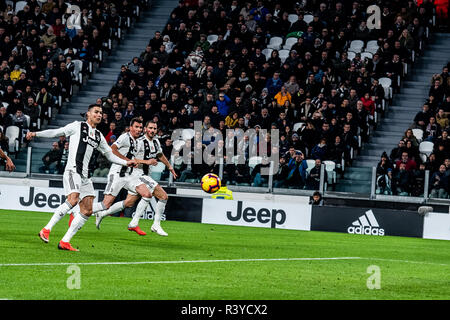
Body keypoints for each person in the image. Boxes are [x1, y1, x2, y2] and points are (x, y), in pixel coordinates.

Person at [26, 104, 137, 251]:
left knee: (87, 210)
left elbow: (109, 155)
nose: (99, 115)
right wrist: (36, 134)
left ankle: (65, 241)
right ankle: (46, 229)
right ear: (88, 114)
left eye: (101, 113)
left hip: (85, 176)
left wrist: (126, 162)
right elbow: (56, 132)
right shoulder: (77, 126)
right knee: (72, 199)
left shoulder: (98, 136)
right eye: (96, 112)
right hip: (73, 171)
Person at [95, 120, 177, 236]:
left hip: (141, 175)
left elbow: (160, 155)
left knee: (128, 203)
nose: (152, 131)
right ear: (145, 129)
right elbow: (131, 158)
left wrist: (169, 167)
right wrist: (146, 162)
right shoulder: (138, 141)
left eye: (154, 129)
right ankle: (153, 224)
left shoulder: (156, 142)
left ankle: (102, 214)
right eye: (150, 128)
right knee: (163, 196)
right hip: (137, 174)